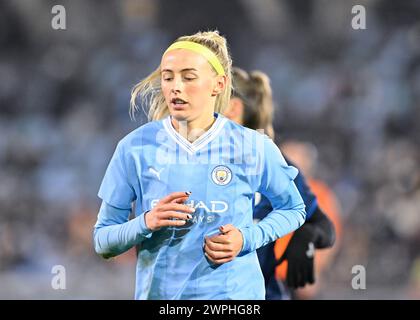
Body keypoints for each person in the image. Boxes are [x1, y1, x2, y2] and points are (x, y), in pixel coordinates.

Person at [93, 30, 306, 300]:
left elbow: (294, 208)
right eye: (168, 77)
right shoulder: (134, 148)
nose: (175, 87)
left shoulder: (253, 146)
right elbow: (103, 241)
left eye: (188, 77)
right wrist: (146, 222)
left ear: (218, 84)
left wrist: (246, 238)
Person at [223, 67, 336, 299]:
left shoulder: (273, 164)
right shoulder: (182, 160)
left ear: (233, 109)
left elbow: (324, 227)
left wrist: (305, 238)